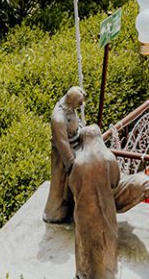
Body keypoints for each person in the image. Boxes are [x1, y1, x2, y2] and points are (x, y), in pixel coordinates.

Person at [68, 125, 121, 279]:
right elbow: (115, 181)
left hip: (84, 211)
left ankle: (85, 272)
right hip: (105, 210)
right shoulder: (108, 157)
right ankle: (107, 272)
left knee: (85, 243)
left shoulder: (78, 162)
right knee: (106, 242)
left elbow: (72, 185)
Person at [43, 86, 85, 223]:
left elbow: (77, 124)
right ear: (71, 101)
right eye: (79, 103)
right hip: (63, 156)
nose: (81, 106)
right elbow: (62, 144)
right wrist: (73, 164)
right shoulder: (58, 119)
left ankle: (72, 206)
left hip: (75, 146)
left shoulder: (70, 107)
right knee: (60, 185)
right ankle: (54, 213)